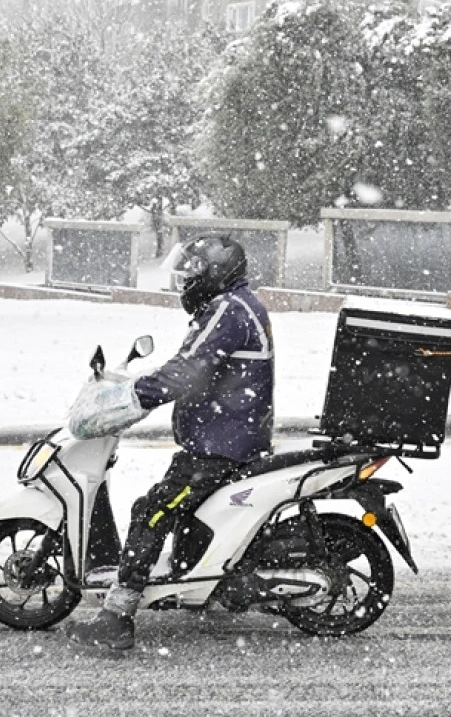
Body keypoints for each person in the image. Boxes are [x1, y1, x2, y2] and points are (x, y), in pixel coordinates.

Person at [64, 233, 275, 651]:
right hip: (224, 438)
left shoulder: (227, 310)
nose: (184, 283)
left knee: (151, 512)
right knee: (180, 511)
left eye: (191, 273)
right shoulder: (231, 305)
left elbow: (189, 370)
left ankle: (117, 618)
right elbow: (193, 364)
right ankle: (205, 585)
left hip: (221, 446)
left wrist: (134, 398)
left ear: (214, 273)